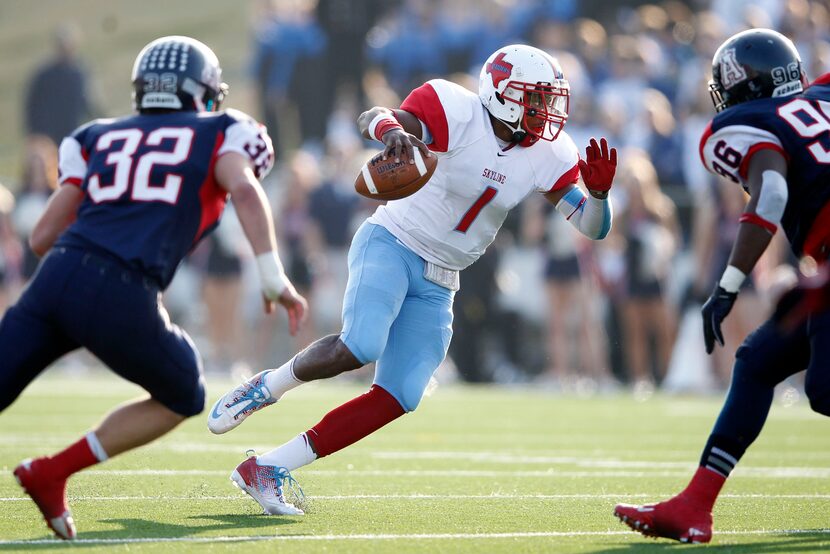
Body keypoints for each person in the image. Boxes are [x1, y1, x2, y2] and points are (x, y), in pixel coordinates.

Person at [207, 44, 617, 516]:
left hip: (443, 277)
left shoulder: (548, 153)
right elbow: (374, 116)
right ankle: (266, 387)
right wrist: (394, 134)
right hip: (394, 241)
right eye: (537, 98)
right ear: (502, 93)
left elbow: (592, 227)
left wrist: (601, 195)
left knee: (400, 395)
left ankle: (268, 467)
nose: (546, 111)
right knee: (361, 345)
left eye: (549, 99)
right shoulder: (456, 108)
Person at [0, 36, 307, 540]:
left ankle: (51, 476)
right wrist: (274, 277)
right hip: (122, 286)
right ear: (204, 93)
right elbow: (247, 189)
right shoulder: (222, 131)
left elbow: (40, 238)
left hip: (56, 278)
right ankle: (52, 470)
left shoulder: (96, 136)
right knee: (184, 390)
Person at [614, 28, 830, 543]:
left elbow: (771, 193)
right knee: (758, 360)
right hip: (824, 269)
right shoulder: (821, 93)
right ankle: (695, 505)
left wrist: (728, 285)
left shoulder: (749, 123)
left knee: (824, 388)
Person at [24, 24, 95, 147]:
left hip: (72, 132)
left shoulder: (79, 73)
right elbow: (32, 105)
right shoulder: (44, 75)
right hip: (49, 136)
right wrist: (35, 132)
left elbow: (86, 102)